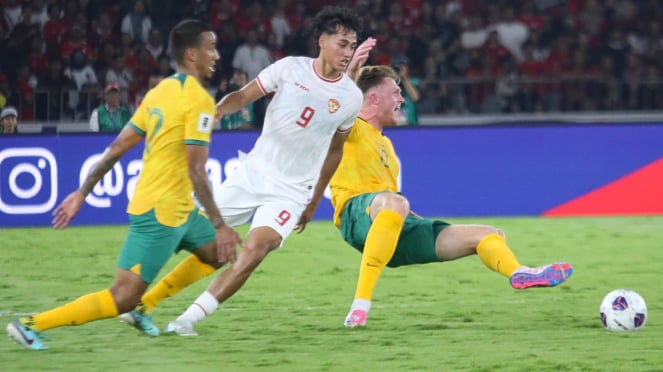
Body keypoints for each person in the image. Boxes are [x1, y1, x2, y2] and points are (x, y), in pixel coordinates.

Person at [119, 6, 365, 337]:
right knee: (203, 242)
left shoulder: (350, 98)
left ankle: (187, 320)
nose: (348, 52)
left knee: (254, 251)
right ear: (322, 41)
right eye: (342, 43)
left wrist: (314, 198)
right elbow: (245, 96)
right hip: (252, 173)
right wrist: (217, 112)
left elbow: (336, 151)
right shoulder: (289, 68)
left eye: (352, 45)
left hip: (290, 192)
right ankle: (143, 304)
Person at [6, 19, 241, 350]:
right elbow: (197, 170)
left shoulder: (159, 92)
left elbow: (117, 147)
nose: (217, 55)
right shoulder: (199, 100)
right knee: (121, 297)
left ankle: (145, 308)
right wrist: (219, 223)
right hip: (160, 213)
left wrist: (82, 192)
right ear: (192, 54)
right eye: (211, 48)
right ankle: (30, 324)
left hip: (180, 209)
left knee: (218, 253)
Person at [331, 65, 573, 328]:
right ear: (374, 98)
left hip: (389, 221)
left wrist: (417, 223)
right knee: (395, 201)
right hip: (355, 216)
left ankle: (519, 272)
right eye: (396, 92)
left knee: (489, 235)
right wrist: (352, 69)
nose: (402, 99)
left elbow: (392, 202)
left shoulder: (386, 143)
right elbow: (337, 105)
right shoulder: (352, 126)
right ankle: (359, 307)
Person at [391, 56, 421, 126]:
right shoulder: (389, 84)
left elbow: (415, 98)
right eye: (398, 67)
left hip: (411, 126)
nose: (401, 69)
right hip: (393, 127)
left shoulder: (413, 82)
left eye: (404, 66)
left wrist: (404, 79)